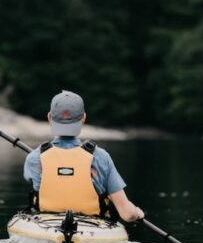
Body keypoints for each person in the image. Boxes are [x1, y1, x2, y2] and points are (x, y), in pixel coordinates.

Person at [24, 90, 144, 222]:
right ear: (83, 118)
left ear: (49, 118)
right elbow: (127, 214)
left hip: (46, 225)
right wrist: (137, 213)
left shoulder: (34, 158)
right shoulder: (101, 157)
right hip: (92, 226)